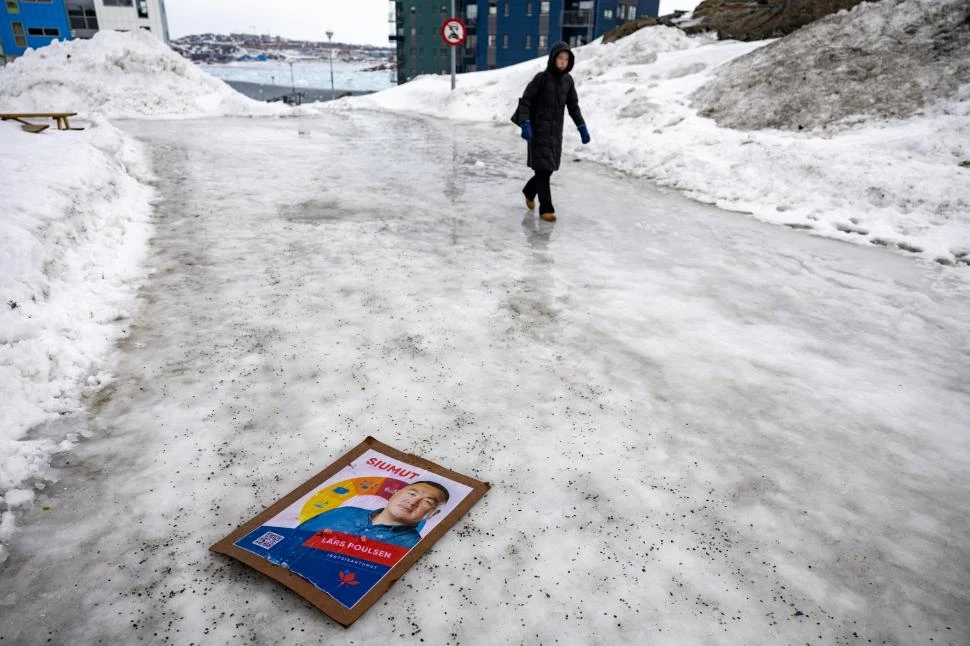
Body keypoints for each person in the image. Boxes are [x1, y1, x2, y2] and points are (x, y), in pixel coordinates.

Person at [515, 41, 590, 222]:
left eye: (566, 59)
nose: (563, 62)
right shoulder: (541, 79)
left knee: (547, 169)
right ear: (553, 59)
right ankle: (546, 209)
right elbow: (525, 101)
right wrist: (525, 123)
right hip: (537, 131)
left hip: (555, 132)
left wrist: (582, 127)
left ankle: (529, 190)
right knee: (542, 170)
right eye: (560, 58)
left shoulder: (568, 81)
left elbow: (573, 107)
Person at [295, 480, 450, 550]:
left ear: (432, 514)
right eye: (412, 493)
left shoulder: (411, 546)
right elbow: (294, 538)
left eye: (427, 502)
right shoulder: (343, 512)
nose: (413, 501)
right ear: (395, 493)